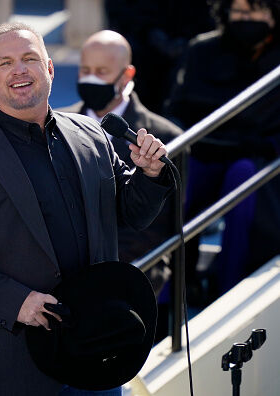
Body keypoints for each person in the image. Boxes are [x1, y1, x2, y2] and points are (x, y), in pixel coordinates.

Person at [0, 22, 173, 396]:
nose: (19, 70)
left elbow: (131, 213)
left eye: (29, 59)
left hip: (97, 351)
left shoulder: (92, 134)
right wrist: (17, 302)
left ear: (50, 69)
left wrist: (151, 175)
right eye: (5, 63)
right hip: (12, 362)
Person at [58, 30, 182, 316]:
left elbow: (160, 227)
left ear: (126, 76)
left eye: (101, 71)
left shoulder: (164, 136)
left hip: (130, 273)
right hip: (64, 270)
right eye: (85, 70)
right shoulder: (57, 126)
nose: (91, 78)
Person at [165, 0, 280, 301]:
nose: (246, 19)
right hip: (206, 150)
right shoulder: (203, 50)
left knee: (243, 180)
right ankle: (172, 292)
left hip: (257, 157)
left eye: (256, 12)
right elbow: (177, 107)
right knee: (179, 186)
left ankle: (229, 288)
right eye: (239, 11)